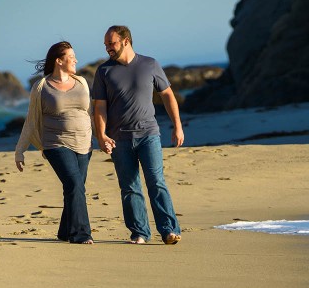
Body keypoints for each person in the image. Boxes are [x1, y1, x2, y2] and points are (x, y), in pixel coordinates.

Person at [92, 25, 183, 245]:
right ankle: (140, 232)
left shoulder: (149, 64)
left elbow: (168, 95)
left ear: (126, 41)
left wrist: (177, 126)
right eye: (105, 45)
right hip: (119, 138)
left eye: (111, 43)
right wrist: (101, 135)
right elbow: (99, 107)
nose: (107, 49)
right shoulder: (104, 71)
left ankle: (169, 230)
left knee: (156, 182)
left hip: (149, 134)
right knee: (129, 187)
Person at [15, 41, 94, 244]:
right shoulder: (42, 87)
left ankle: (64, 231)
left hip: (84, 142)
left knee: (74, 188)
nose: (76, 59)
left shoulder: (82, 82)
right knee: (75, 184)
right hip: (56, 144)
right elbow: (31, 120)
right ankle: (81, 234)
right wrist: (20, 150)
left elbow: (90, 113)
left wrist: (104, 136)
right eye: (71, 56)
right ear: (59, 61)